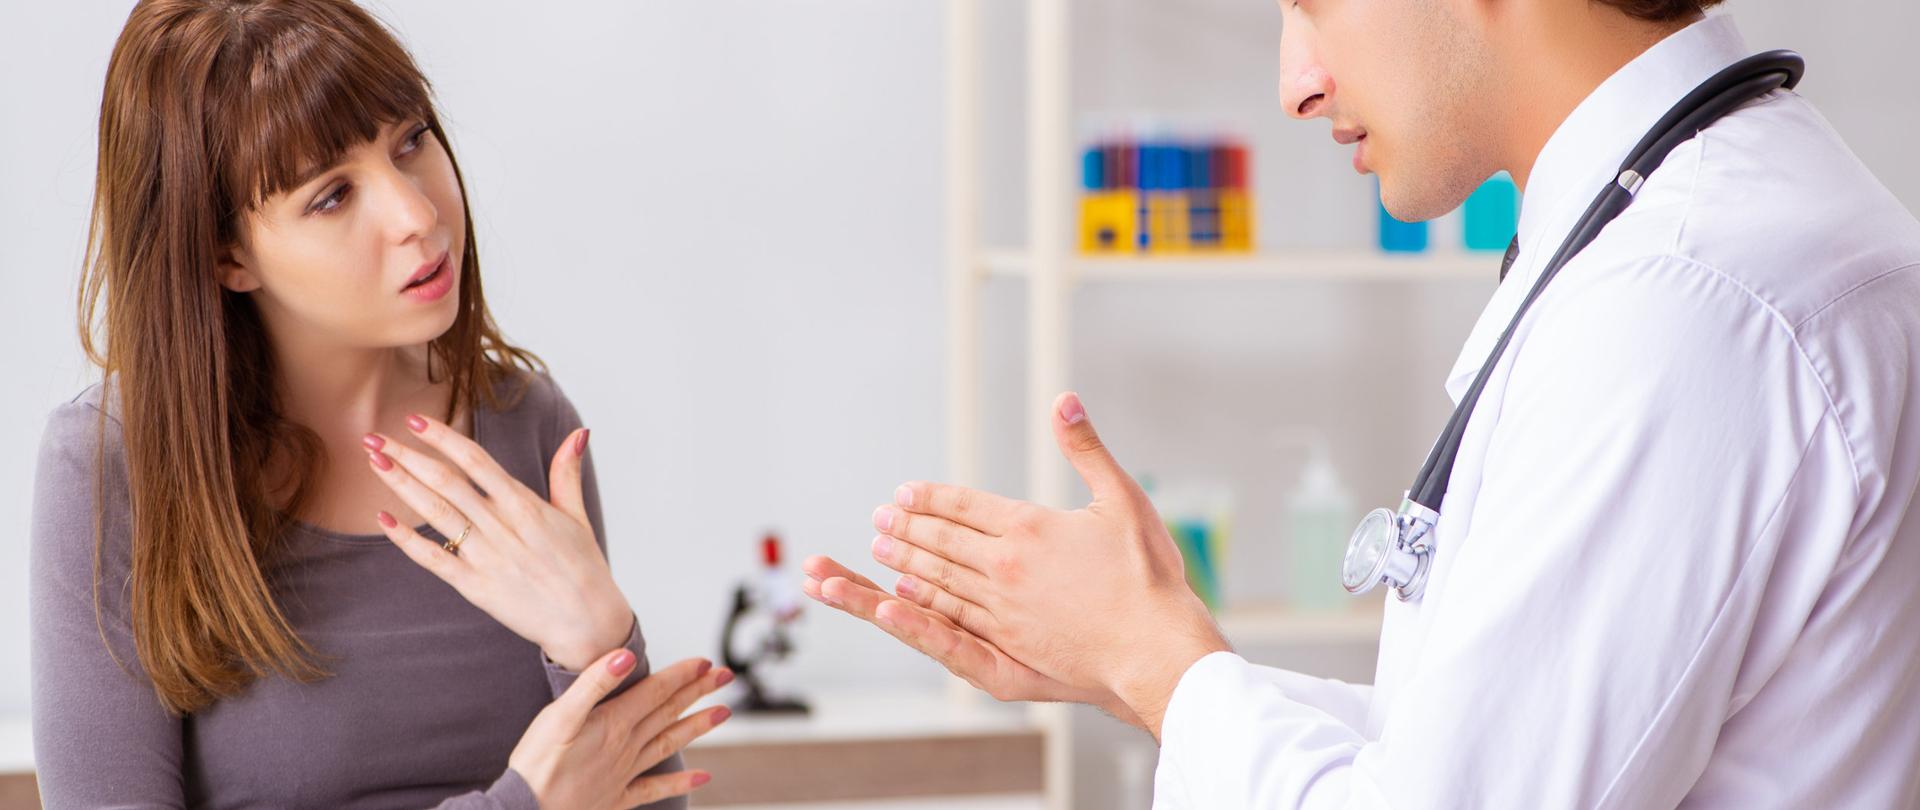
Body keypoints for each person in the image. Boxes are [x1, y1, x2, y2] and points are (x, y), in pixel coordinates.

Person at [806, 1, 1920, 807]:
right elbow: (1494, 751)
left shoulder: (1681, 306)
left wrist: (1163, 667)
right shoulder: (1741, 228)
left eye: (1313, 5)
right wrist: (1132, 657)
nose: (1294, 82)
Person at [30, 1, 727, 807]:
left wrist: (601, 643)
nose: (418, 214)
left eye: (411, 140)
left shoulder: (529, 425)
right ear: (227, 255)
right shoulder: (111, 469)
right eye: (331, 196)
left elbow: (632, 792)